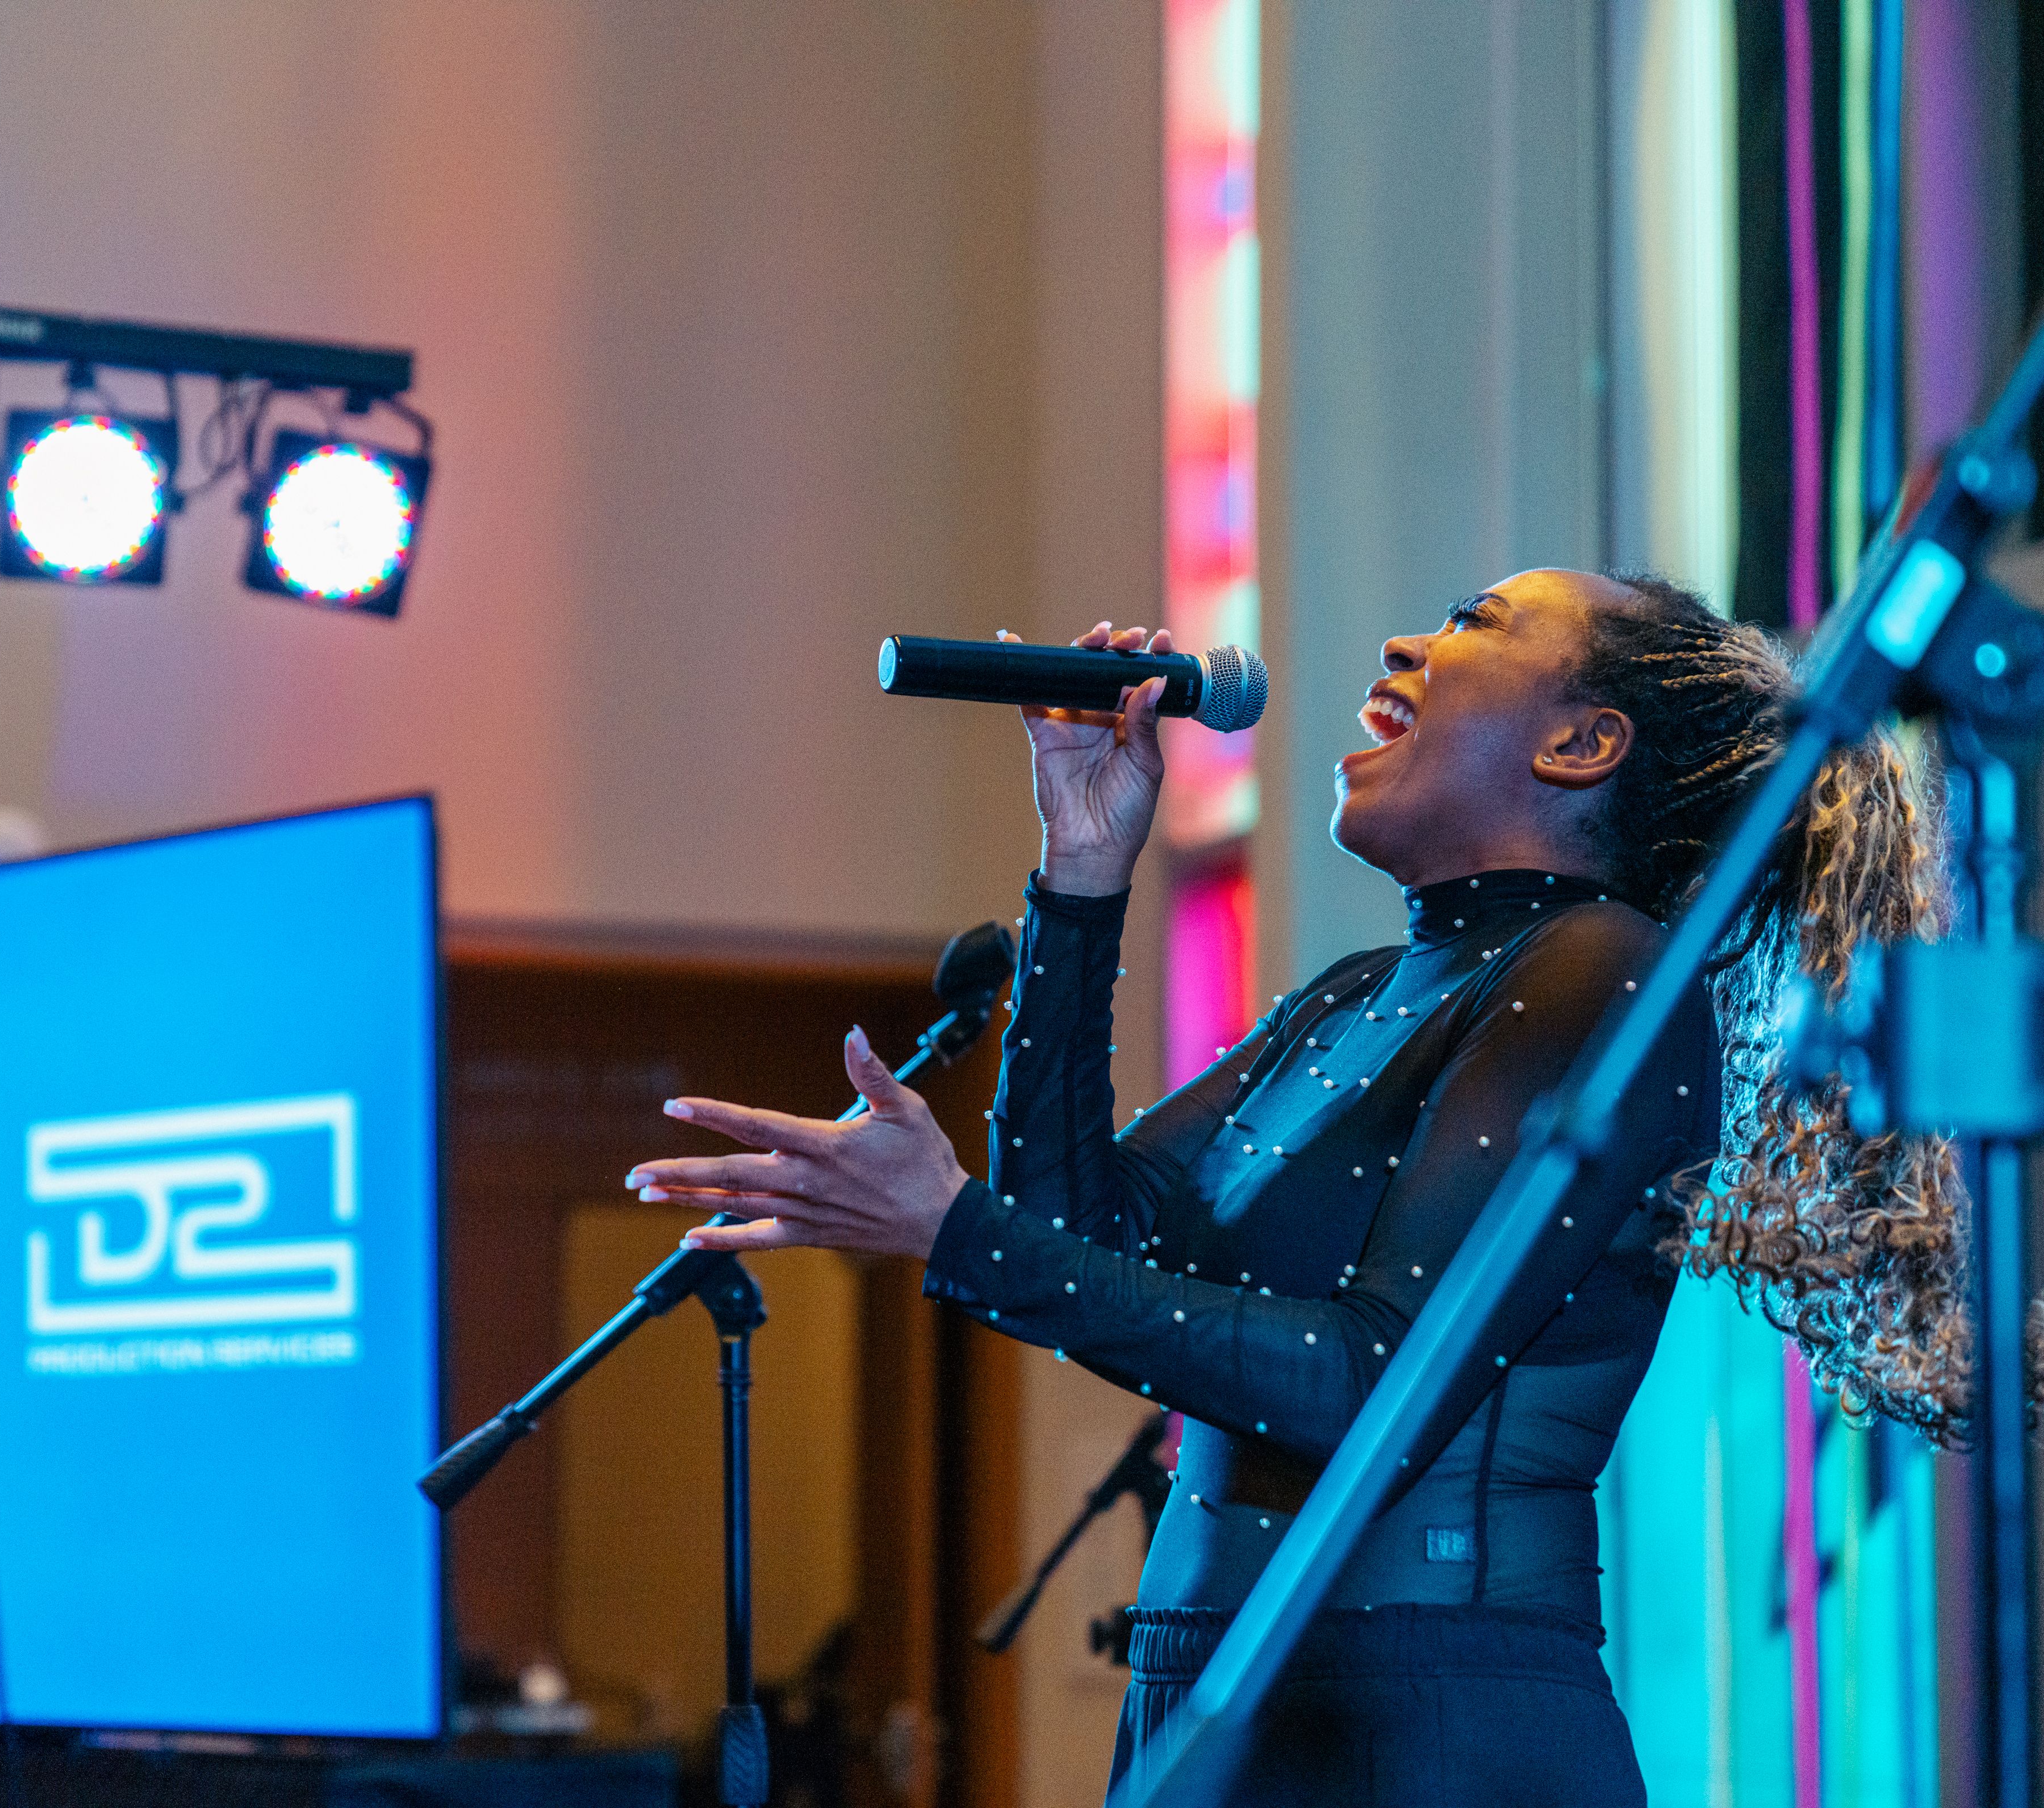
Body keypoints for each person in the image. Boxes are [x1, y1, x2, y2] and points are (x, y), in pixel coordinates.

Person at [623, 569, 1963, 1807]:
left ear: (1580, 744)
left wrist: (953, 1226)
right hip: (1219, 1684)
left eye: (1474, 621)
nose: (1405, 644)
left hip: (1423, 1712)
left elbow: (1369, 1383)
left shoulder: (1596, 971)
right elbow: (1068, 1234)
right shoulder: (1352, 997)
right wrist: (1082, 873)